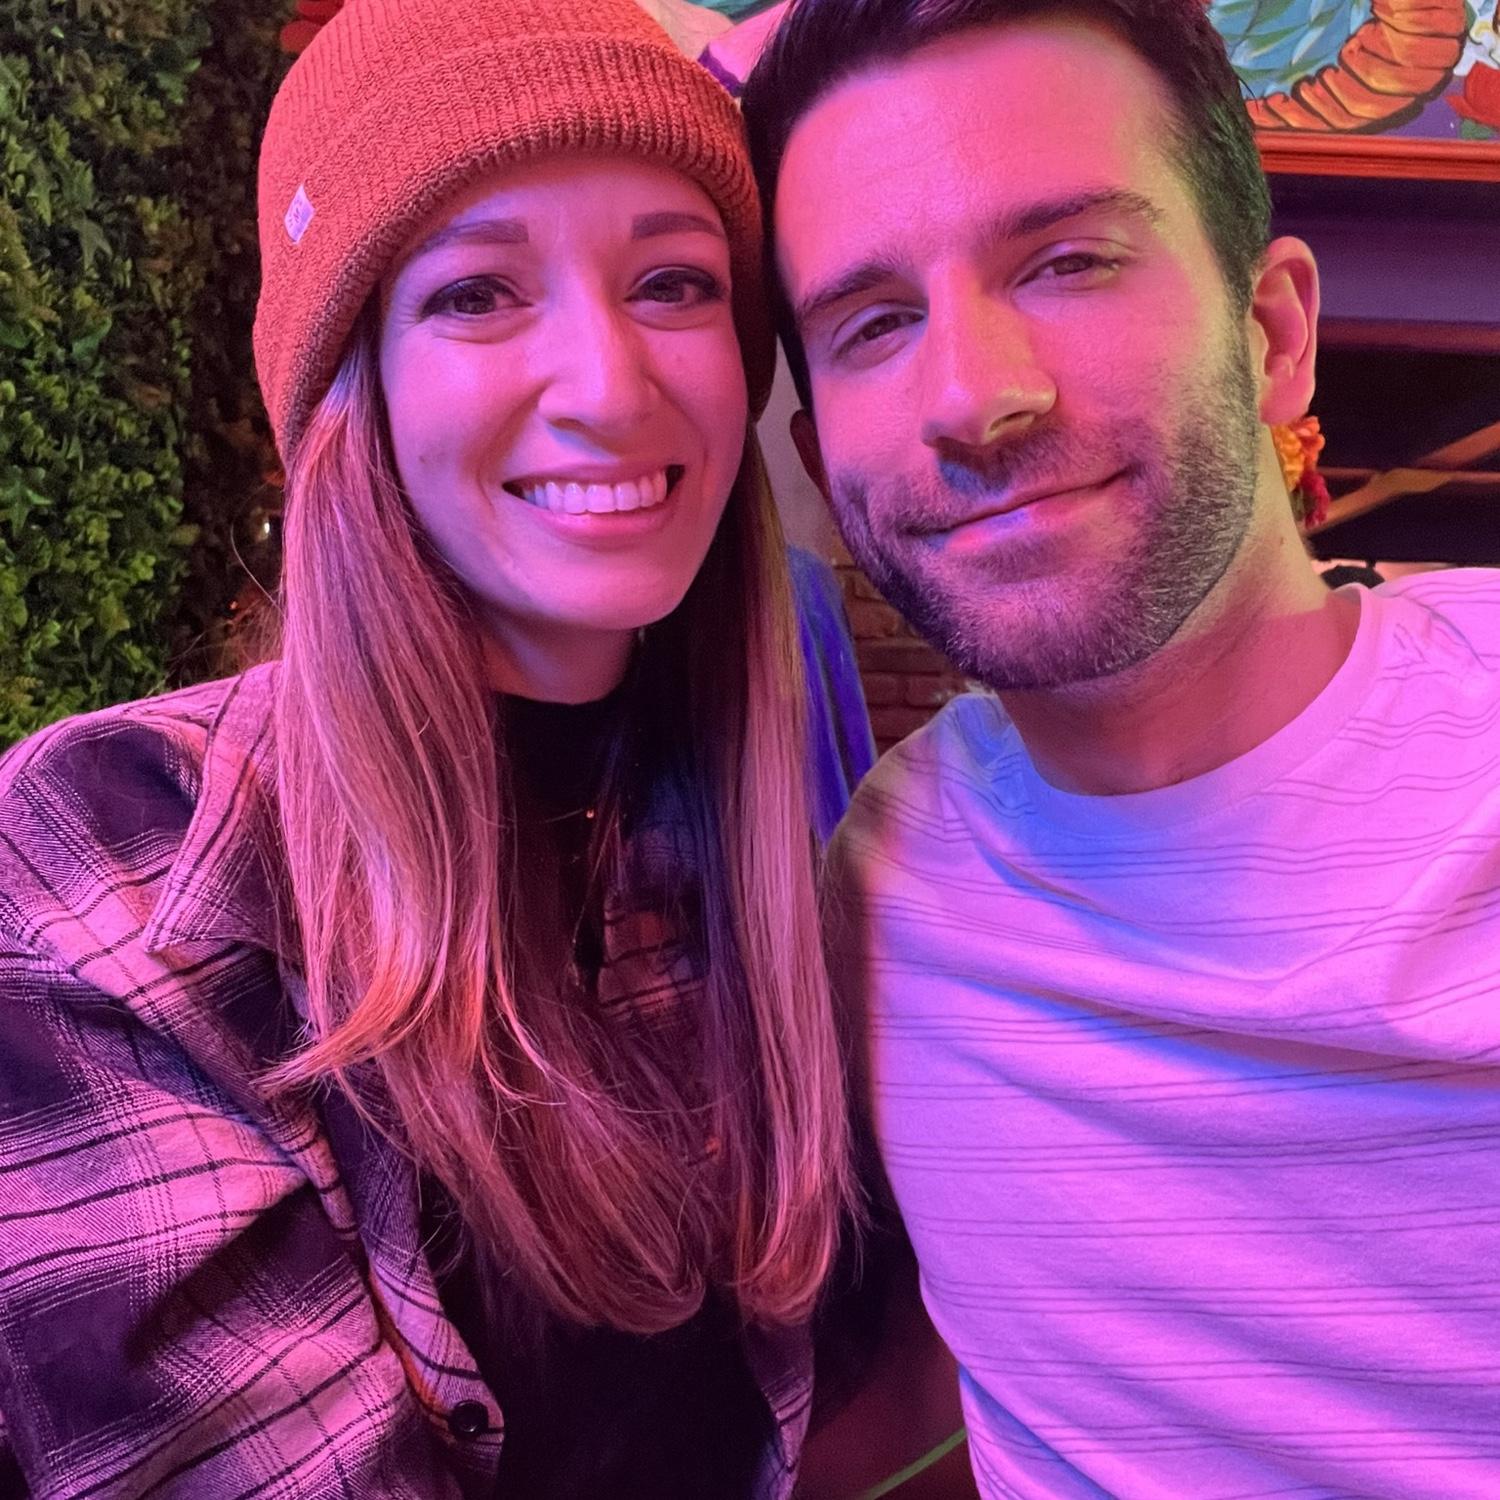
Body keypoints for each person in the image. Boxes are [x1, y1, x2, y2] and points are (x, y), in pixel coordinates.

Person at [0, 1, 867, 1494]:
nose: (611, 387)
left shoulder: (726, 833)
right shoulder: (121, 852)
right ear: (351, 388)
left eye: (673, 282)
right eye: (476, 294)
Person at [741, 2, 1500, 1497]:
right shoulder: (883, 883)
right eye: (874, 324)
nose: (975, 397)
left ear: (1273, 334)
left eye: (1069, 260)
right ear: (820, 456)